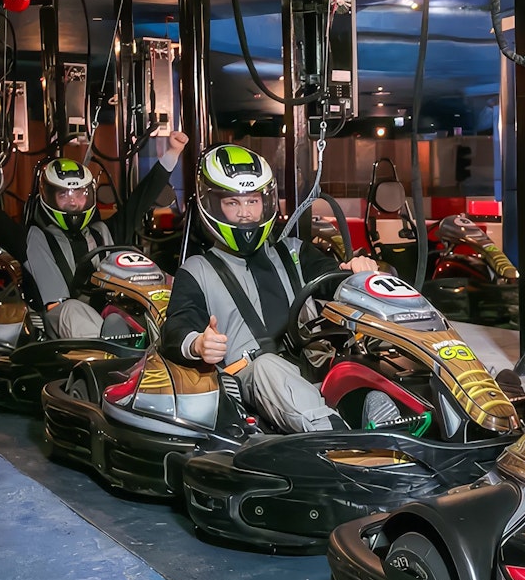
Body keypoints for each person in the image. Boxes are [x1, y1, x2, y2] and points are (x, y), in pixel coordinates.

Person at [160, 143, 378, 434]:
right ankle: (337, 438)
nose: (245, 214)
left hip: (309, 369)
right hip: (245, 383)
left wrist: (358, 273)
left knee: (365, 356)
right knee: (267, 366)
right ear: (213, 205)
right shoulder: (196, 270)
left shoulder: (294, 253)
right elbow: (176, 327)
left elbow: (332, 280)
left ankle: (378, 412)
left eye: (251, 202)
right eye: (233, 203)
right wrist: (198, 343)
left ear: (266, 202)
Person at [0, 132, 189, 339]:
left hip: (109, 319)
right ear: (49, 197)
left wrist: (171, 153)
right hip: (57, 331)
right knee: (72, 309)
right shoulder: (30, 240)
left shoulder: (105, 232)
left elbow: (139, 202)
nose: (74, 202)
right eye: (64, 195)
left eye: (79, 194)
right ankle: (112, 351)